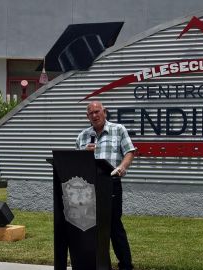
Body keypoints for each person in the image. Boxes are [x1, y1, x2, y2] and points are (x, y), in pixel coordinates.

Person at [75, 100, 135, 270]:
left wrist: (122, 167)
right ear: (87, 117)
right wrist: (84, 155)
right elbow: (75, 163)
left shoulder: (118, 130)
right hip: (88, 188)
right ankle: (99, 264)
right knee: (91, 227)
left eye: (97, 112)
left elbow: (130, 151)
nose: (94, 116)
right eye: (91, 113)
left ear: (105, 112)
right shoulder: (83, 136)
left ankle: (125, 265)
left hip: (110, 184)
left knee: (114, 226)